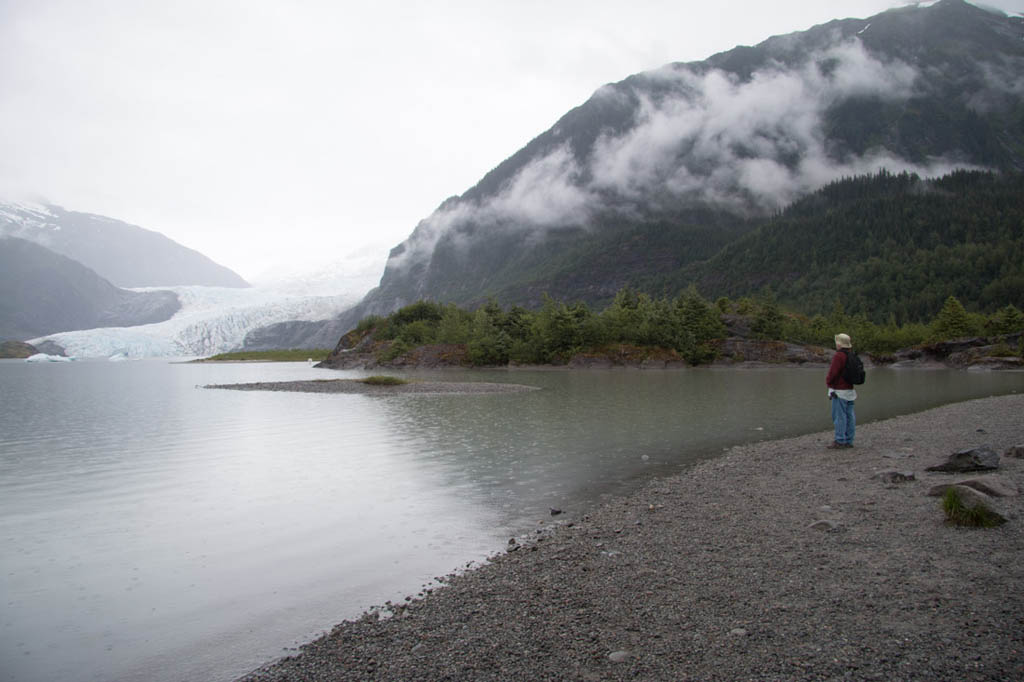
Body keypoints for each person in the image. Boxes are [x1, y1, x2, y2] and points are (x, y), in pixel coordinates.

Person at [825, 332, 856, 449]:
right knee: (849, 416)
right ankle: (849, 440)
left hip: (839, 391)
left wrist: (828, 383)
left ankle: (840, 440)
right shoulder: (850, 354)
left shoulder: (839, 356)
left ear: (839, 344)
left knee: (839, 416)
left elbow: (833, 373)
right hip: (850, 390)